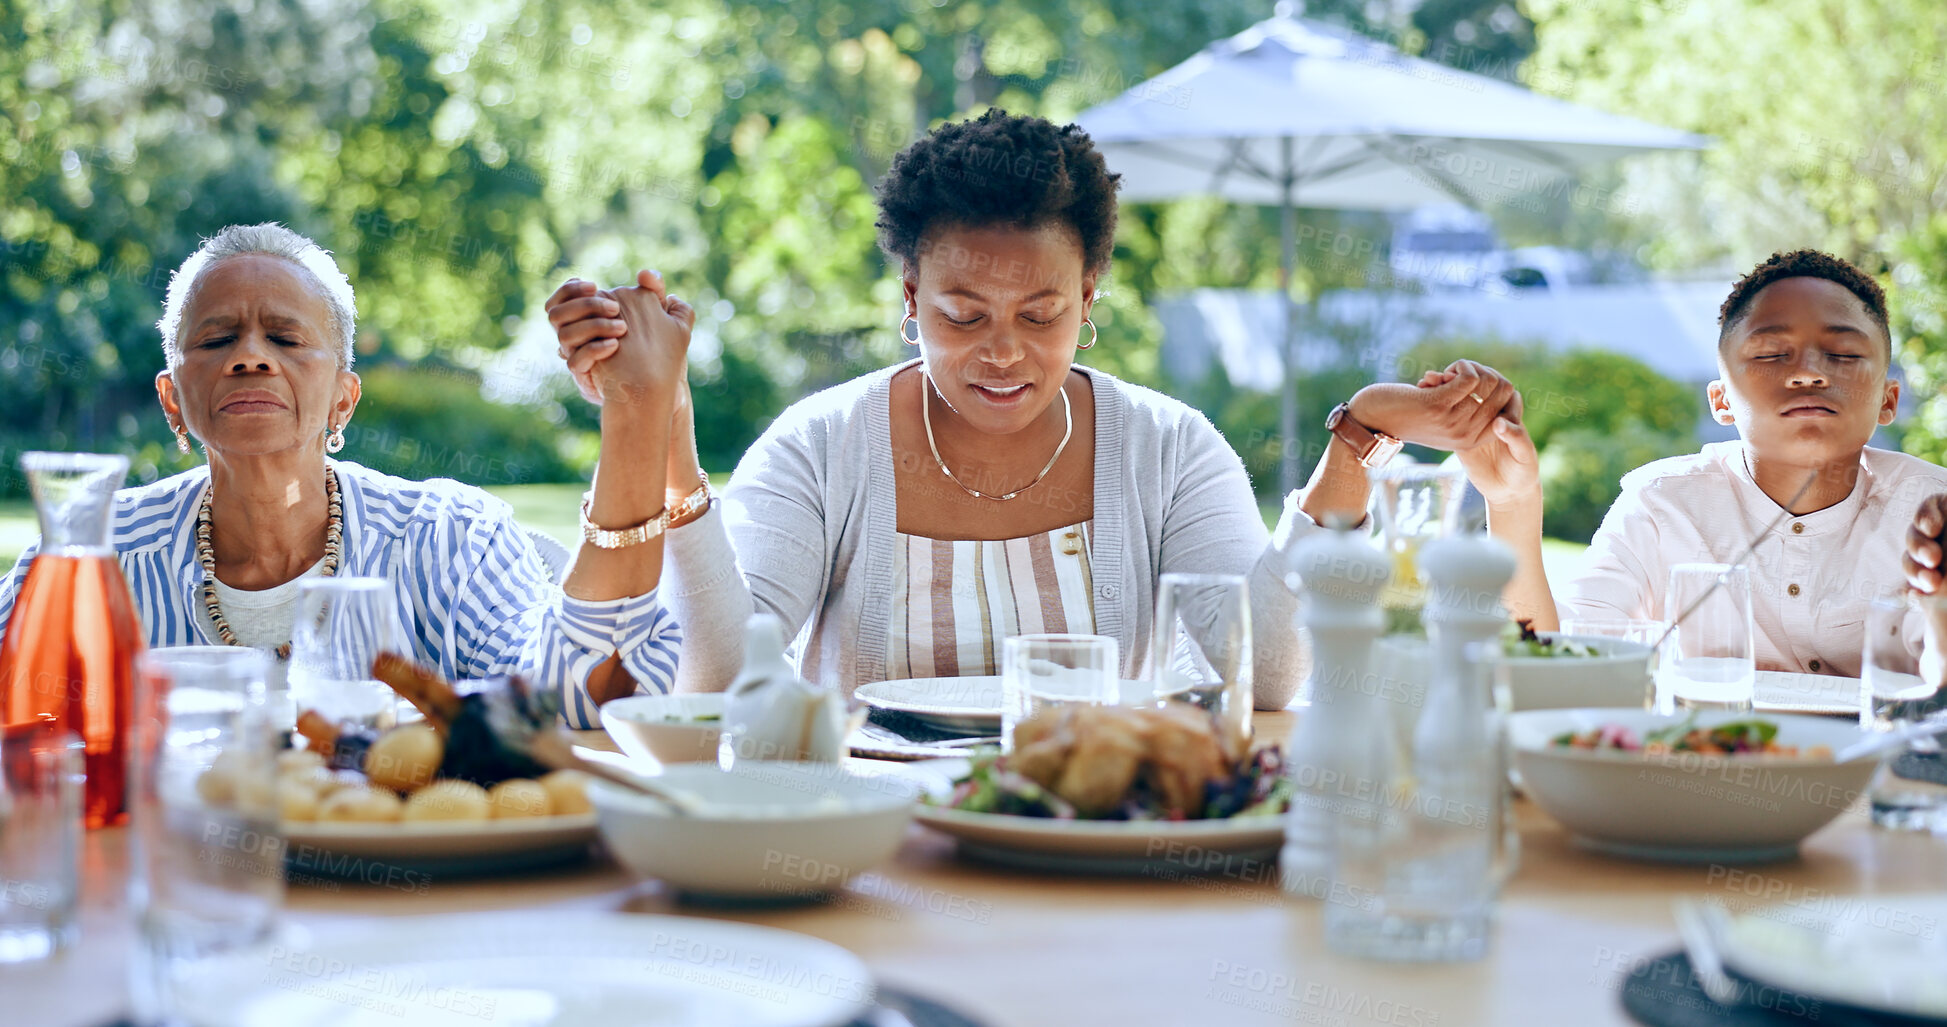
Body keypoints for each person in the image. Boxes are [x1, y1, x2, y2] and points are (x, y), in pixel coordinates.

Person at [547, 110, 1515, 708]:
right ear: (908, 296)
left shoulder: (1168, 449)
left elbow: (1253, 676)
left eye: (1041, 313)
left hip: (1098, 834)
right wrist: (662, 420)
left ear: (1089, 297)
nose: (1004, 351)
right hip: (874, 848)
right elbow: (722, 680)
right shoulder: (822, 447)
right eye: (962, 314)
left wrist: (1357, 440)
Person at [0, 223, 688, 728]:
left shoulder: (447, 537)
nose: (250, 357)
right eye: (216, 339)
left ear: (343, 399)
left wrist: (636, 411)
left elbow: (571, 700)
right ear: (172, 400)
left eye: (286, 337)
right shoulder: (89, 558)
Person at [1461, 249, 1947, 676]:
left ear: (1888, 399)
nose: (1807, 373)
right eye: (1773, 354)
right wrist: (1511, 502)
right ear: (1721, 401)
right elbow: (1555, 655)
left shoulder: (1930, 513)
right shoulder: (1661, 506)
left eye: (1842, 354)